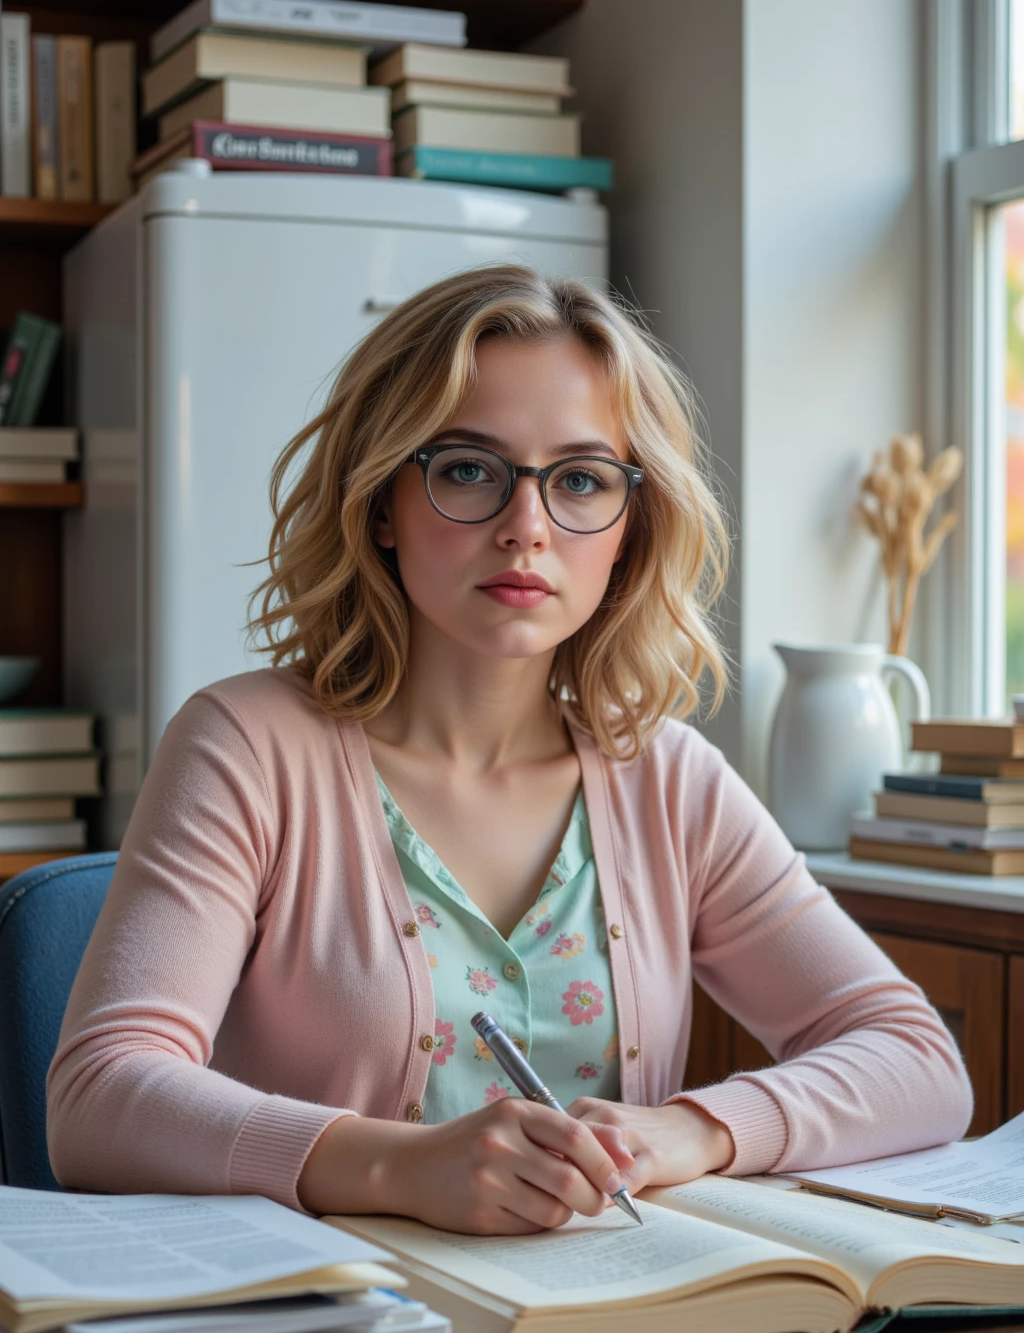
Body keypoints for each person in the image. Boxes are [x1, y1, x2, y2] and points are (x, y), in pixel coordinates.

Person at [47, 265, 972, 1235]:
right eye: (465, 471)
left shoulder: (666, 781)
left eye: (579, 480)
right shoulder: (246, 749)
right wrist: (396, 1167)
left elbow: (915, 1058)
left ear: (628, 527)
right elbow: (98, 1101)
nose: (524, 530)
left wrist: (690, 1132)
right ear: (379, 505)